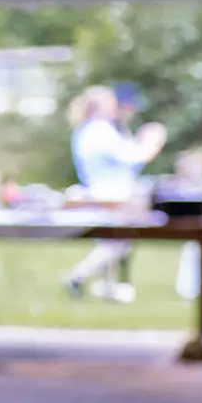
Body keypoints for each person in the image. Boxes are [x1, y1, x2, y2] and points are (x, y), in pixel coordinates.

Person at [64, 84, 165, 301]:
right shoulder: (100, 130)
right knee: (119, 241)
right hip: (112, 195)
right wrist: (153, 140)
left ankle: (107, 288)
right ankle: (77, 275)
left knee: (111, 242)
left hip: (106, 192)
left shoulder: (91, 130)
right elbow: (135, 157)